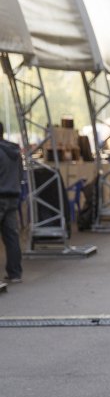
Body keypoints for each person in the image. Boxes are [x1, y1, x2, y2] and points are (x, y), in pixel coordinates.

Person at [0, 122, 23, 286]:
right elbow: (21, 174)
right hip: (13, 196)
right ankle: (15, 273)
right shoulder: (14, 151)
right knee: (12, 237)